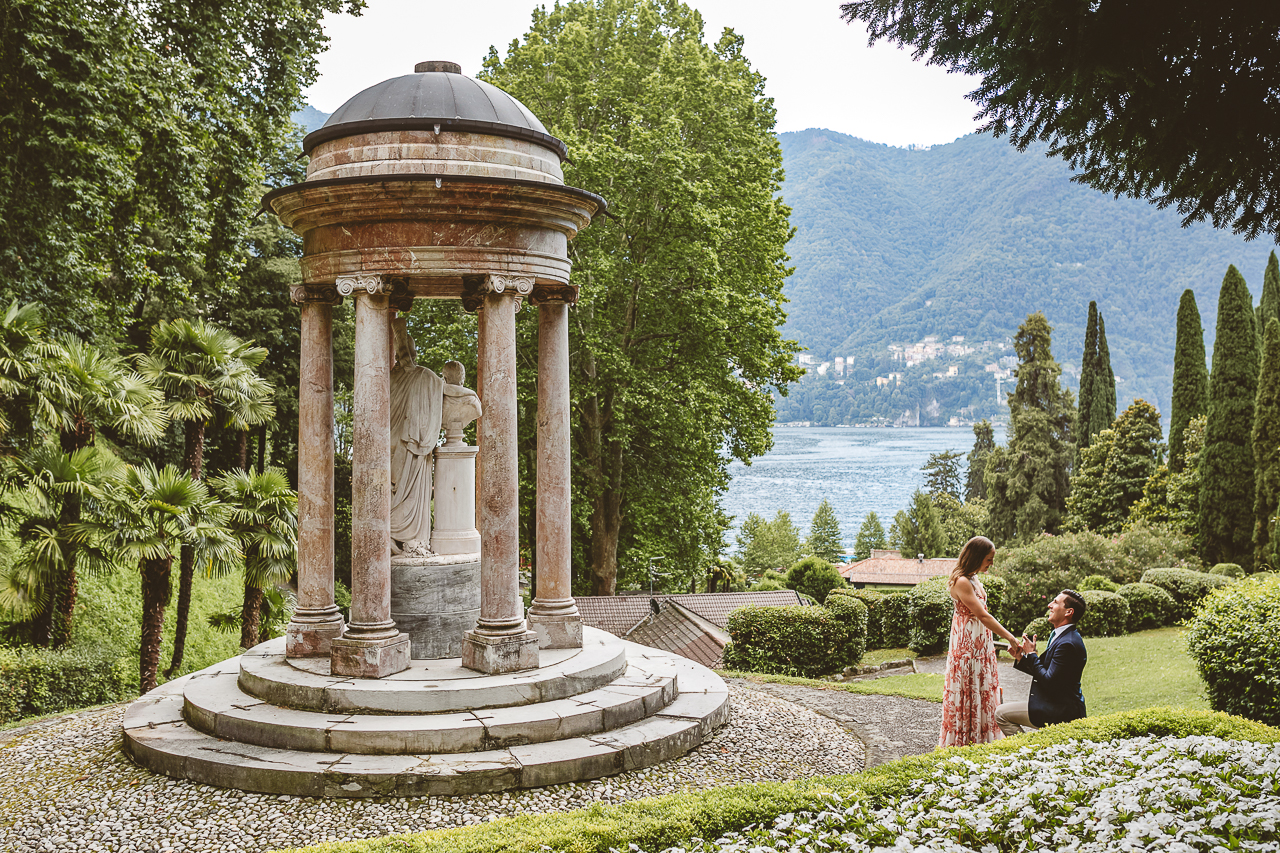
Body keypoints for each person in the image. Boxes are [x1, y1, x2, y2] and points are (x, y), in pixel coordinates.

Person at [939, 535, 1021, 747]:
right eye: (989, 559)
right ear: (976, 557)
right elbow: (983, 616)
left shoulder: (973, 577)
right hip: (968, 649)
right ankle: (966, 741)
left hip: (980, 648)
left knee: (981, 689)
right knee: (969, 690)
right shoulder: (962, 581)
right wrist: (1010, 638)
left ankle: (982, 738)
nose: (991, 564)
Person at [996, 589, 1088, 736]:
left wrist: (1032, 654)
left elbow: (1049, 681)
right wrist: (1021, 658)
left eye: (1056, 602)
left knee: (1001, 714)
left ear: (1068, 612)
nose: (1049, 605)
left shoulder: (1068, 643)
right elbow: (1047, 672)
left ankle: (1024, 752)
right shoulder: (1062, 636)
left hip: (1060, 710)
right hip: (1056, 704)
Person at [389, 317, 444, 553]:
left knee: (408, 491)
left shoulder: (423, 376)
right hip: (400, 443)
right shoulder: (420, 377)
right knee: (398, 491)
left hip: (406, 444)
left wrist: (399, 330)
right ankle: (399, 535)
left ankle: (407, 537)